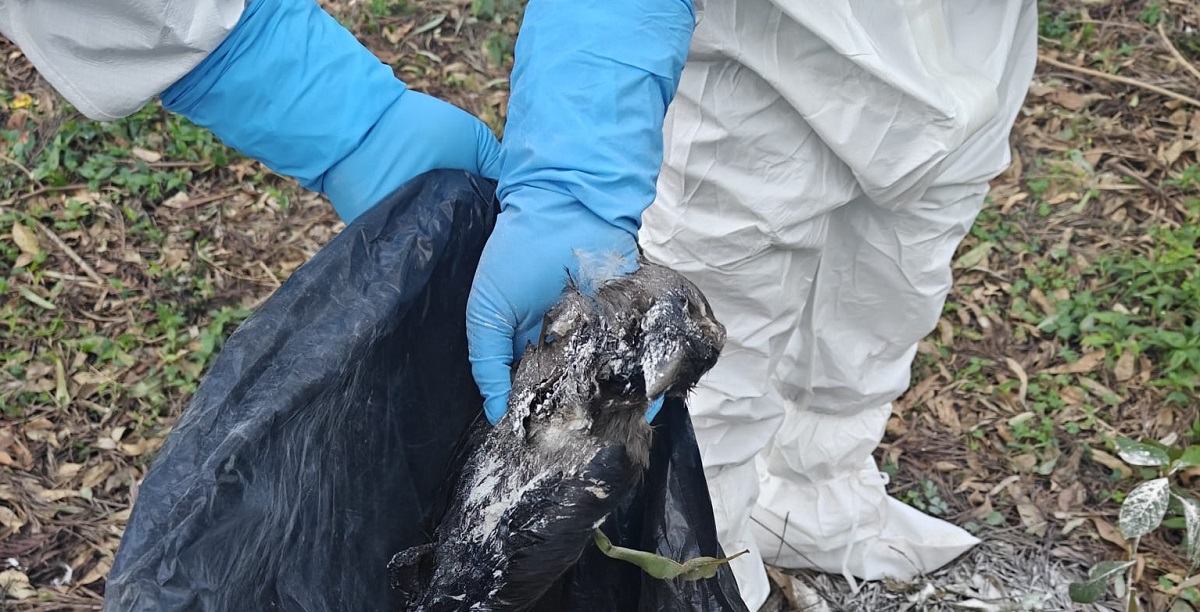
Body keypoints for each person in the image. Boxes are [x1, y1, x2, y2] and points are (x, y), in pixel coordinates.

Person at [1, 0, 1038, 609]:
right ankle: (714, 560)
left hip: (966, 37)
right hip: (766, 48)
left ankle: (817, 489)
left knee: (887, 281)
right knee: (721, 315)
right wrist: (576, 170)